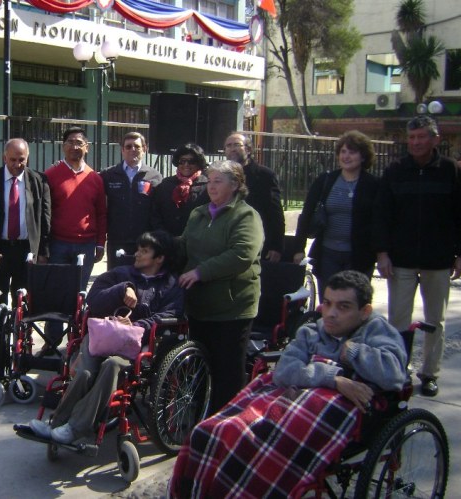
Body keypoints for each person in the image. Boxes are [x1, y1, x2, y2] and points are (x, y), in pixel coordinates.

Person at [170, 270, 408, 498]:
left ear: (365, 311)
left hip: (331, 413)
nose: (331, 313)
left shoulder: (377, 330)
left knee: (252, 441)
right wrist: (332, 378)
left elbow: (394, 375)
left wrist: (355, 352)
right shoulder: (312, 332)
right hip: (289, 397)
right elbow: (284, 372)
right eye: (327, 303)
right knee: (210, 432)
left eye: (343, 307)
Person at [26, 230, 184, 446]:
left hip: (135, 346)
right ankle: (55, 423)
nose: (137, 254)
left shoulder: (171, 287)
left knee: (112, 365)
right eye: (138, 249)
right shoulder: (120, 274)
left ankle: (74, 428)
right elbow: (93, 299)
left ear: (160, 258)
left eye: (144, 251)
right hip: (103, 337)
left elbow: (170, 316)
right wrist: (122, 290)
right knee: (84, 372)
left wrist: (136, 325)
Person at [373, 115, 461, 397]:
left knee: (435, 320)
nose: (416, 142)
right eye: (412, 137)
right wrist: (381, 252)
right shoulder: (395, 170)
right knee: (398, 321)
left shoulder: (451, 171)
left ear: (435, 139)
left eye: (422, 137)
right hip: (401, 259)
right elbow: (381, 214)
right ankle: (398, 370)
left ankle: (430, 373)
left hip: (438, 259)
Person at [179, 160, 263, 414]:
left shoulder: (246, 216)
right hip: (199, 305)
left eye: (218, 181)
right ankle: (199, 417)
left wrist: (201, 271)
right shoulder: (199, 213)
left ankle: (227, 424)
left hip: (231, 307)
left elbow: (242, 254)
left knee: (226, 373)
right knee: (200, 367)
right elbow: (183, 246)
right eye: (210, 181)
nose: (211, 186)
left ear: (235, 185)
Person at [42, 127, 107, 352]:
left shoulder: (95, 178)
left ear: (87, 148)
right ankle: (51, 344)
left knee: (79, 296)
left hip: (86, 245)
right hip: (58, 244)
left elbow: (100, 212)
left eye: (80, 143)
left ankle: (75, 344)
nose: (75, 146)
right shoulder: (50, 175)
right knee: (56, 295)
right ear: (63, 146)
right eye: (70, 142)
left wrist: (101, 242)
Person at [293, 130, 379, 299]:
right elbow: (307, 214)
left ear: (363, 156)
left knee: (353, 302)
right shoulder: (326, 180)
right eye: (343, 152)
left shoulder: (373, 185)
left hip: (359, 256)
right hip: (328, 253)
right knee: (329, 300)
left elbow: (379, 221)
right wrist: (298, 248)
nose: (346, 156)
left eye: (352, 152)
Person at [0, 138, 51, 305]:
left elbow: (45, 219)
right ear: (4, 157)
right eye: (13, 159)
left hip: (26, 250)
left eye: (21, 159)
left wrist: (43, 252)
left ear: (27, 158)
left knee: (23, 302)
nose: (17, 164)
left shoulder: (39, 181)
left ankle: (21, 331)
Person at [101, 132, 162, 269]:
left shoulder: (155, 176)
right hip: (117, 240)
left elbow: (158, 209)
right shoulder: (108, 175)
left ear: (144, 149)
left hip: (144, 241)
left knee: (142, 281)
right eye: (128, 147)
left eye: (137, 146)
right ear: (122, 150)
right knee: (117, 281)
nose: (132, 150)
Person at [224, 132, 285, 262]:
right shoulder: (221, 175)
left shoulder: (264, 175)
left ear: (248, 149)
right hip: (226, 241)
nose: (232, 149)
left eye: (236, 145)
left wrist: (276, 245)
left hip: (257, 241)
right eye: (228, 146)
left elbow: (275, 213)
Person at [150, 143, 209, 237]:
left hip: (196, 242)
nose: (186, 165)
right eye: (182, 161)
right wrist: (163, 236)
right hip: (167, 242)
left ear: (198, 163)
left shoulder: (207, 185)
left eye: (191, 161)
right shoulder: (165, 184)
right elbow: (155, 214)